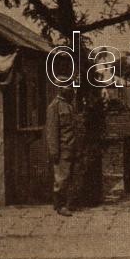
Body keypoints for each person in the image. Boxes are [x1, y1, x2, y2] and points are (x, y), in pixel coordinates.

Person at [44, 87, 82, 217]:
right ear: (61, 89)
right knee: (61, 178)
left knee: (70, 177)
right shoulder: (54, 107)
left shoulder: (69, 106)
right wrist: (54, 151)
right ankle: (60, 205)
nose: (71, 90)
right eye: (68, 88)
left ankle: (66, 203)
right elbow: (52, 131)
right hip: (62, 148)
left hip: (72, 146)